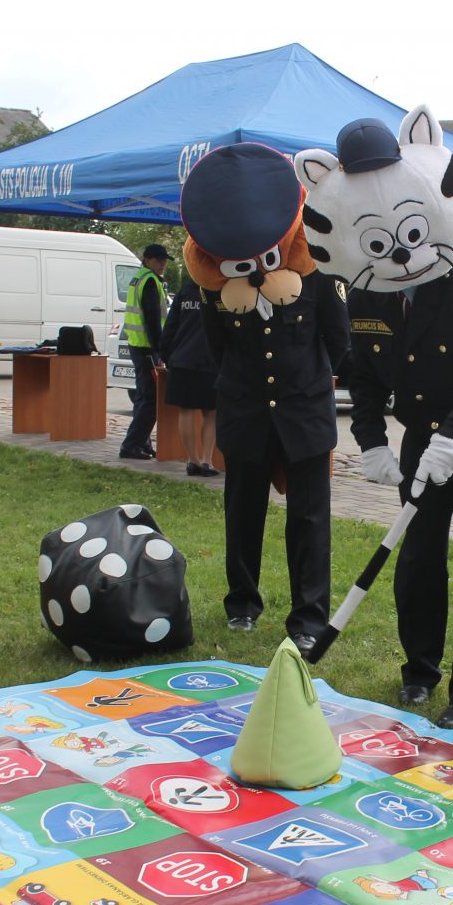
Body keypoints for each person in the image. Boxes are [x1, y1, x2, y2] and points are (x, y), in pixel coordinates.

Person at [295, 108, 453, 731]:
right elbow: (364, 377)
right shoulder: (365, 293)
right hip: (423, 434)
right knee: (418, 558)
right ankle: (419, 672)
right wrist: (371, 442)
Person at [185, 143, 350, 652]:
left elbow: (338, 343)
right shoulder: (218, 284)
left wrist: (313, 385)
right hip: (246, 410)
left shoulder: (317, 275)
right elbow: (219, 347)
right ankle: (243, 605)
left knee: (309, 520)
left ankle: (308, 615)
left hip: (303, 413)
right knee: (243, 513)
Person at [157, 278, 219, 477]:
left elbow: (170, 326)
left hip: (182, 360)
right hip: (210, 361)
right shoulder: (217, 292)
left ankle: (192, 460)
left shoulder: (184, 293)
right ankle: (207, 461)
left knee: (185, 411)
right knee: (211, 414)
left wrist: (166, 355)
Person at [118, 244, 171, 460]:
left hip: (138, 345)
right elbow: (151, 319)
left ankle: (143, 442)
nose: (163, 264)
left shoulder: (139, 278)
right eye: (159, 260)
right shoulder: (149, 281)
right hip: (148, 347)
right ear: (147, 259)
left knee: (143, 397)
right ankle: (131, 445)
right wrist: (161, 349)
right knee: (150, 399)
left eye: (164, 260)